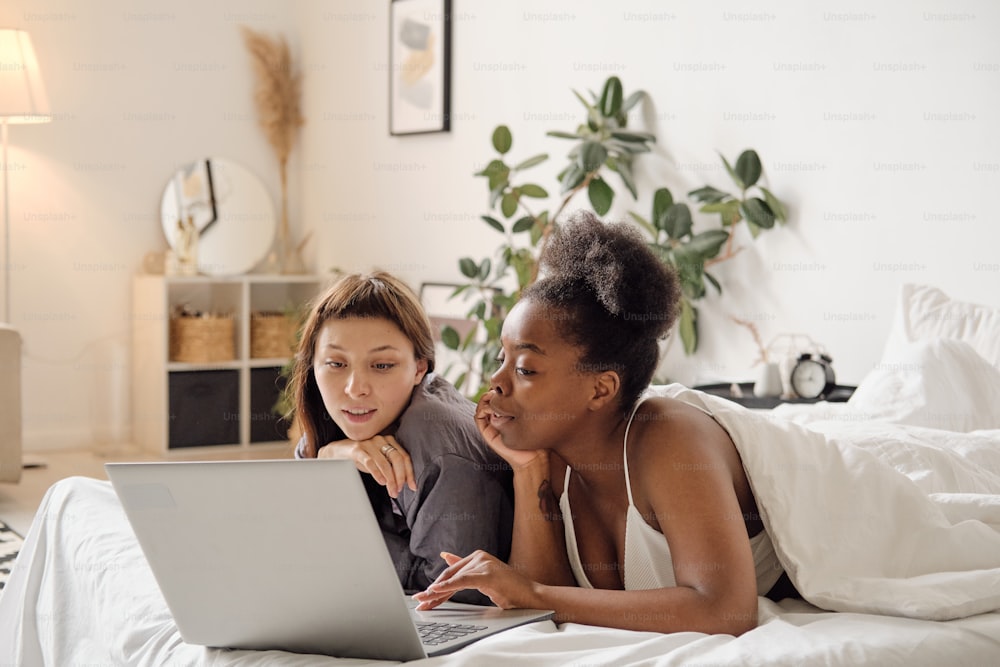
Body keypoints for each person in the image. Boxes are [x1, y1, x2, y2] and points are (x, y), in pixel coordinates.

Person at [412, 211, 788, 634]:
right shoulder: (552, 453)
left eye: (526, 369)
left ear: (600, 389)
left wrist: (532, 594)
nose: (495, 382)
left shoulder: (668, 437)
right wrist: (527, 469)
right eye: (502, 360)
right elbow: (545, 602)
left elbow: (725, 612)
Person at [290, 271, 513, 605]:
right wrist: (331, 457)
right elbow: (302, 532)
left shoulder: (437, 448)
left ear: (420, 368)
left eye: (381, 365)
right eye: (336, 363)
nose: (355, 388)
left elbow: (455, 591)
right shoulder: (334, 431)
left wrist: (354, 558)